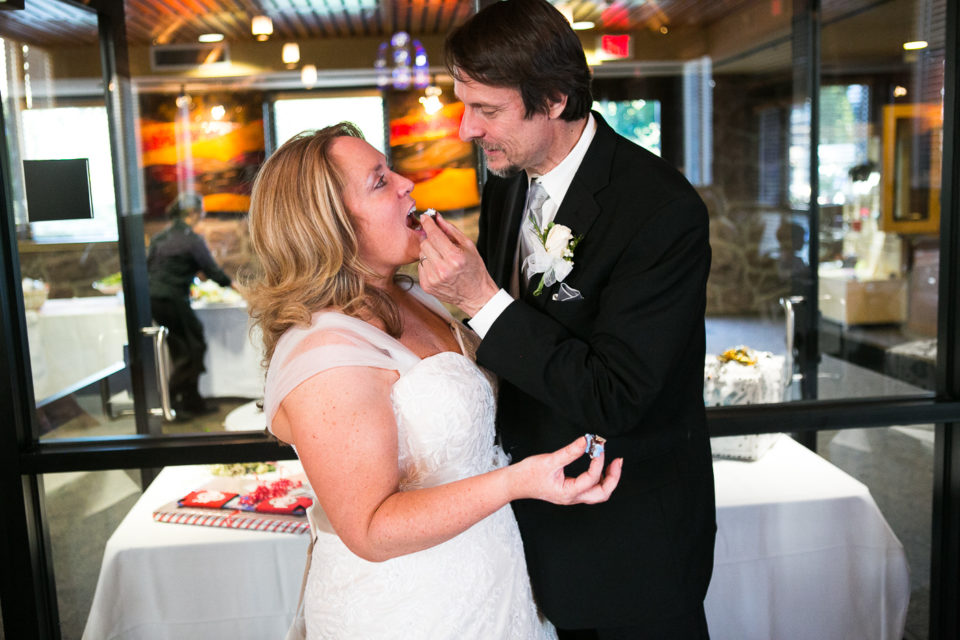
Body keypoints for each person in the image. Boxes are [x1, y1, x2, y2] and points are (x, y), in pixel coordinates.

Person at [243, 123, 622, 640]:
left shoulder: (412, 294)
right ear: (327, 225)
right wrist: (517, 481)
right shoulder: (324, 351)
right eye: (379, 181)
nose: (406, 184)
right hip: (408, 608)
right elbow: (372, 529)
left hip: (489, 579)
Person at [416, 0, 717, 637]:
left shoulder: (659, 209)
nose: (467, 129)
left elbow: (619, 393)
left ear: (553, 99)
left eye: (487, 110)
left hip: (627, 540)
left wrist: (482, 301)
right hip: (526, 521)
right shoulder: (506, 183)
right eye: (464, 104)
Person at [147, 194, 231, 418]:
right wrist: (237, 287)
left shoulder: (159, 237)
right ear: (192, 213)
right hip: (173, 299)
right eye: (201, 212)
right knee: (193, 349)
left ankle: (192, 402)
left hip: (153, 299)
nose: (202, 216)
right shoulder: (192, 239)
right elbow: (213, 272)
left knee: (181, 350)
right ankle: (171, 402)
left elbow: (151, 268)